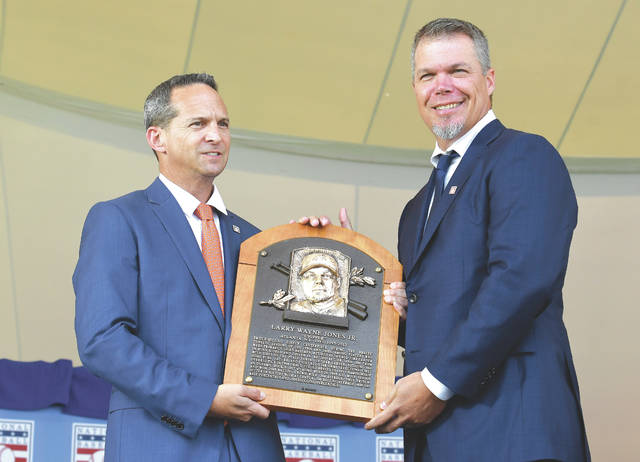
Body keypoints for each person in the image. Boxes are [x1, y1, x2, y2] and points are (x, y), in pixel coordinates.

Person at [302, 18, 590, 462]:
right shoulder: (416, 208)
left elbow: (521, 280)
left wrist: (436, 383)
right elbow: (432, 322)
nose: (442, 86)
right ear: (415, 91)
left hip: (514, 433)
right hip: (436, 442)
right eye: (427, 76)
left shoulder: (525, 156)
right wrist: (360, 280)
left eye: (458, 71)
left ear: (489, 81)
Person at [74, 73, 285, 462]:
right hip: (160, 445)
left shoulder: (259, 243)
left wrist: (326, 252)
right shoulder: (119, 219)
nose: (215, 135)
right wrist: (203, 399)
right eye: (198, 123)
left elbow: (289, 344)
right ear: (157, 139)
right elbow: (103, 340)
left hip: (252, 448)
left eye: (223, 124)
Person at [290, 252, 346, 317]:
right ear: (301, 281)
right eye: (310, 276)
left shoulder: (344, 310)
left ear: (338, 282)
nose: (319, 281)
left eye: (326, 276)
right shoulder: (294, 308)